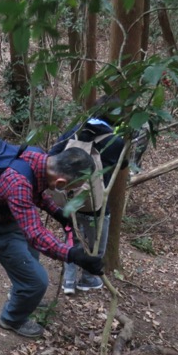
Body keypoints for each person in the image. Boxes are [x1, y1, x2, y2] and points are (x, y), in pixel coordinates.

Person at [0, 147, 105, 339]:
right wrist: (73, 255)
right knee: (36, 281)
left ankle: (20, 295)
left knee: (31, 260)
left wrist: (58, 213)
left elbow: (37, 192)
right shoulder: (18, 184)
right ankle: (11, 319)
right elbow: (36, 235)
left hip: (14, 217)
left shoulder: (38, 159)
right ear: (61, 182)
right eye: (72, 187)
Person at [49, 97, 134, 294]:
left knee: (72, 237)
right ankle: (89, 279)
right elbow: (122, 165)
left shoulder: (75, 131)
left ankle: (68, 281)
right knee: (96, 241)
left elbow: (53, 153)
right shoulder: (116, 141)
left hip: (69, 200)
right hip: (95, 203)